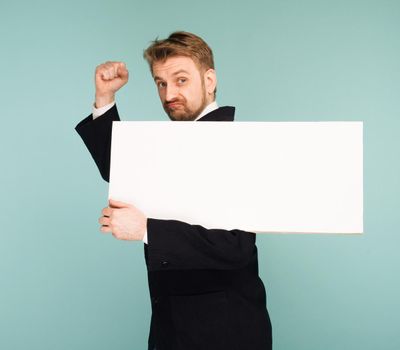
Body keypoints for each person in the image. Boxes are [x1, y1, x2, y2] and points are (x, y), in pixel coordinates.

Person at [75, 31, 272, 350]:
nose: (168, 95)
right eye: (160, 83)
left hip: (224, 334)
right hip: (171, 327)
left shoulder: (238, 145)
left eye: (181, 80)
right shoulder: (174, 141)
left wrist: (146, 229)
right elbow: (122, 172)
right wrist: (105, 99)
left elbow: (236, 246)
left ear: (209, 80)